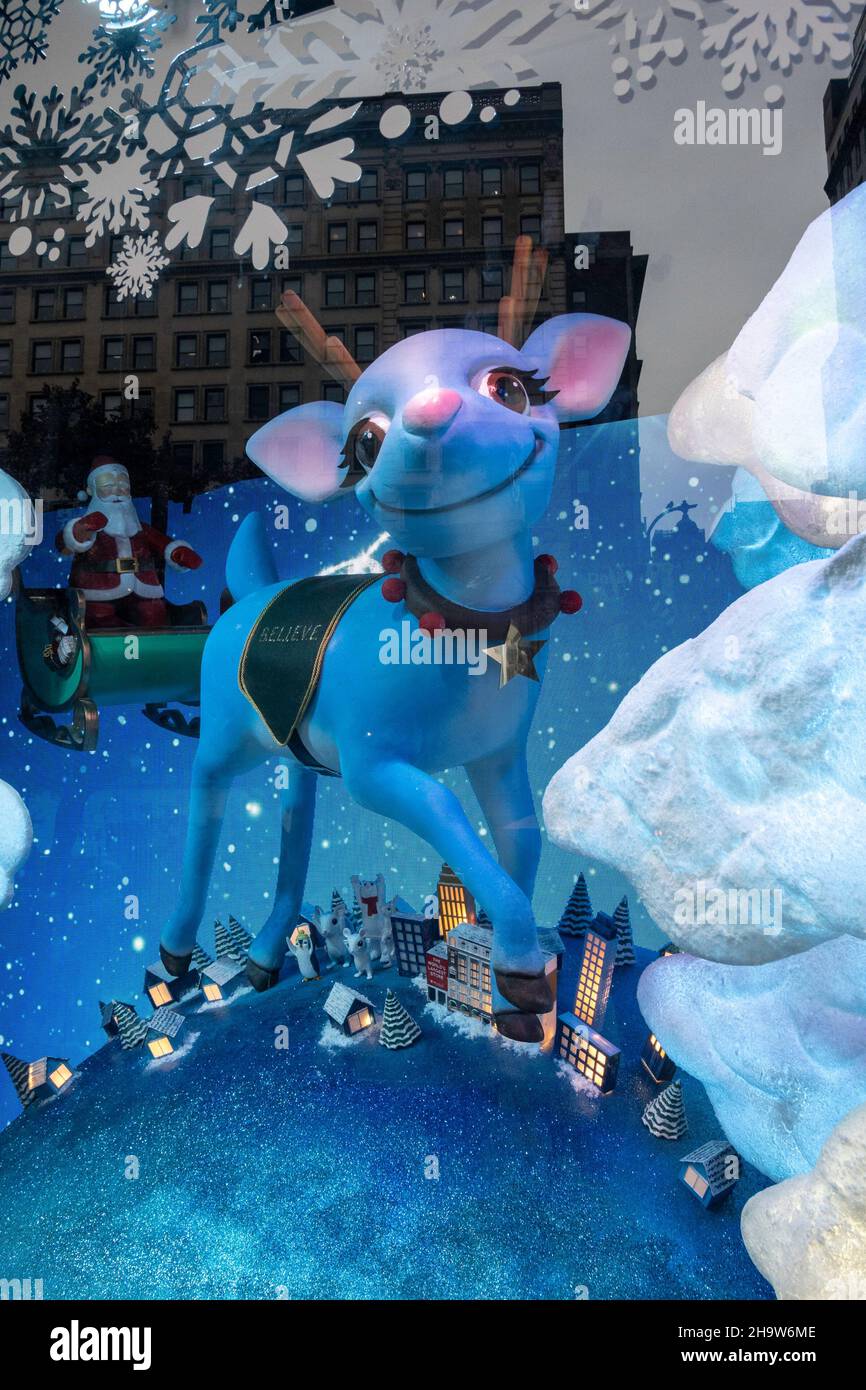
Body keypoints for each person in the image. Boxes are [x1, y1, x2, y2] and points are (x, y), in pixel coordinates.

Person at [55, 457, 202, 630]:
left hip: (144, 588)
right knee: (99, 616)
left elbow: (163, 543)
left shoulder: (141, 530)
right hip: (98, 591)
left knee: (155, 613)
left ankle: (149, 649)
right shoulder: (89, 527)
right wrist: (79, 531)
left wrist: (178, 553)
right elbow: (63, 544)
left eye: (122, 485)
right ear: (91, 489)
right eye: (107, 485)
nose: (116, 490)